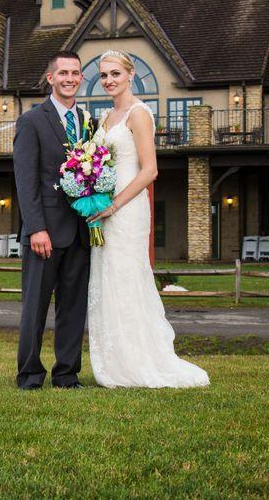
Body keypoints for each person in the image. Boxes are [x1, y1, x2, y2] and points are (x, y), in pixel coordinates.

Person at [86, 49, 210, 388]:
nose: (109, 80)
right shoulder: (106, 116)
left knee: (127, 278)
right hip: (103, 207)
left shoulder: (139, 114)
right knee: (108, 280)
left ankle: (138, 360)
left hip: (126, 210)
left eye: (115, 73)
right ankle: (115, 361)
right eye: (103, 75)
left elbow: (150, 170)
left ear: (130, 74)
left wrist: (114, 206)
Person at [13, 50, 93, 389]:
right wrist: (36, 228)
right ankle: (30, 374)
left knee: (73, 307)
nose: (70, 78)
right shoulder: (32, 121)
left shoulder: (89, 122)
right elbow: (26, 179)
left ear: (81, 78)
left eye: (75, 73)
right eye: (63, 73)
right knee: (35, 307)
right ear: (51, 78)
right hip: (44, 233)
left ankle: (67, 374)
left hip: (80, 231)